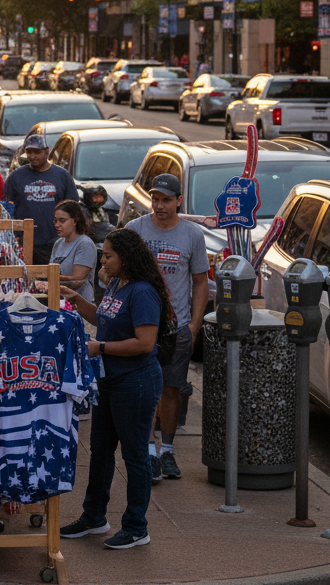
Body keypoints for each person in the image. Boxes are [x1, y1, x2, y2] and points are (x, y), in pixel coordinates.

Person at [59, 228, 170, 550]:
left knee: (135, 456)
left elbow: (145, 343)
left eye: (108, 255)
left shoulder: (143, 292)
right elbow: (105, 319)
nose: (102, 261)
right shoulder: (116, 284)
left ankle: (137, 527)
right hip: (110, 380)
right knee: (100, 450)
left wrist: (101, 348)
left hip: (135, 382)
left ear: (126, 257)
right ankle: (94, 517)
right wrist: (78, 301)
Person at [125, 174, 209, 481]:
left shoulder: (192, 234)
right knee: (146, 389)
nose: (159, 206)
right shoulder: (135, 230)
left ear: (178, 201)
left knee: (172, 390)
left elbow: (200, 281)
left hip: (177, 328)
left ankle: (168, 450)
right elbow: (119, 273)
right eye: (155, 199)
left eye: (166, 200)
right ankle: (148, 451)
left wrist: (194, 324)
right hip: (142, 325)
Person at [4, 134, 76, 264]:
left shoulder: (62, 176)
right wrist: (13, 235)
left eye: (37, 152)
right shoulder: (15, 177)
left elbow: (73, 209)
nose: (32, 156)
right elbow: (6, 210)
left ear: (47, 152)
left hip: (54, 242)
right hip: (23, 243)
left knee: (52, 280)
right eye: (29, 152)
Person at [51, 199, 97, 303]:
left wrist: (48, 277)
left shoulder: (84, 244)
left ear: (75, 221)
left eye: (62, 221)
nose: (57, 225)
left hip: (80, 306)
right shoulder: (58, 243)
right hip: (61, 303)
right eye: (55, 220)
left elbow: (77, 279)